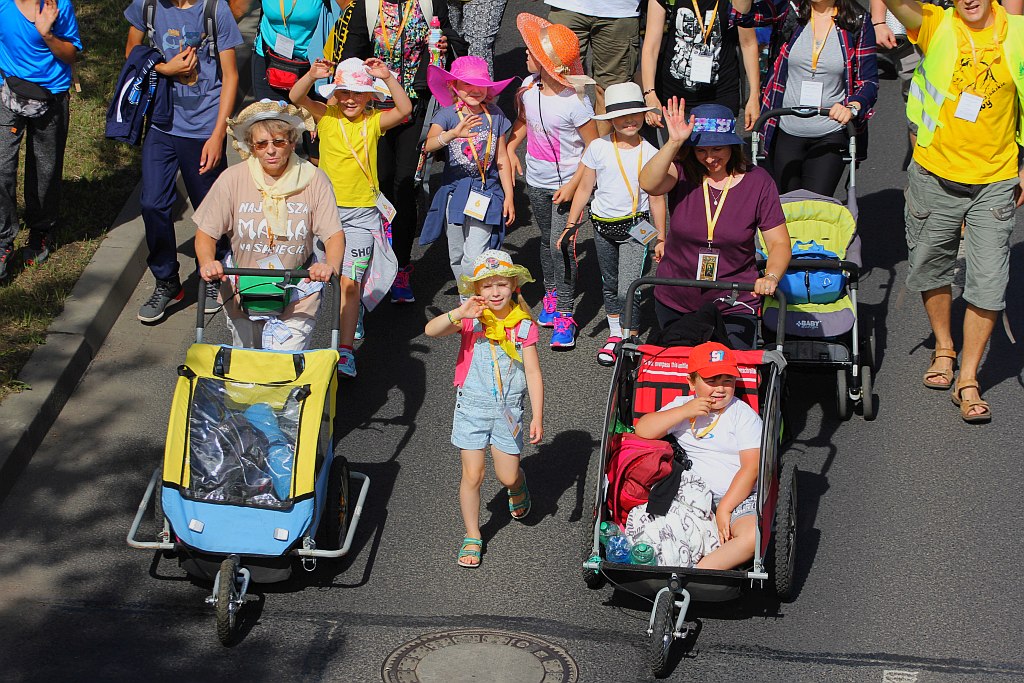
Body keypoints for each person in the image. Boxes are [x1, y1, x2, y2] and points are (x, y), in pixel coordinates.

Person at [883, 0, 1024, 423]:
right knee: (931, 267)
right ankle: (944, 346)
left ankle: (967, 378)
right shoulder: (935, 24)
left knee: (989, 282)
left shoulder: (1017, 33)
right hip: (935, 173)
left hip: (995, 178)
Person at [290, 57, 411, 377]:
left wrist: (388, 76)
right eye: (344, 92)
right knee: (331, 279)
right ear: (335, 93)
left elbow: (404, 110)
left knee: (350, 281)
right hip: (326, 217)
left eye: (358, 93)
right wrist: (312, 75)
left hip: (361, 218)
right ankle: (350, 311)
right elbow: (295, 97)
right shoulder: (326, 116)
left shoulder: (374, 122)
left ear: (370, 96)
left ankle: (345, 353)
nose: (349, 100)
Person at [424, 249, 544, 569]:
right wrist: (459, 313)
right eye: (487, 285)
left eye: (501, 284)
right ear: (477, 291)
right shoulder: (471, 319)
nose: (494, 291)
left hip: (508, 408)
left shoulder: (523, 326)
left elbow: (533, 372)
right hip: (471, 406)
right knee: (472, 474)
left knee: (506, 475)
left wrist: (538, 415)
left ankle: (517, 485)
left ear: (513, 286)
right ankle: (473, 534)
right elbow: (431, 331)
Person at [124, 0, 243, 323]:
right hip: (162, 125)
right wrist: (164, 69)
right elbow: (132, 51)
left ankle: (218, 274)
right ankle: (167, 280)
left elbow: (230, 76)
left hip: (203, 129)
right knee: (152, 203)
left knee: (210, 208)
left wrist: (218, 134)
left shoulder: (214, 10)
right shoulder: (147, 6)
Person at [341, 0, 467, 304]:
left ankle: (400, 265)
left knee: (405, 183)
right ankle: (374, 260)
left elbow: (455, 40)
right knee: (380, 182)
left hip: (415, 107)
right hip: (373, 111)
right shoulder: (366, 8)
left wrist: (446, 41)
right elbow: (349, 57)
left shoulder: (428, 3)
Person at [192, 101, 345, 350]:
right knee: (247, 369)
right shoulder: (232, 179)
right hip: (242, 288)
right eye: (262, 144)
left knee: (282, 370)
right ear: (253, 148)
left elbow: (334, 235)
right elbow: (206, 233)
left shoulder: (313, 179)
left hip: (298, 288)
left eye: (279, 142)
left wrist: (330, 266)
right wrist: (208, 261)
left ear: (292, 143)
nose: (270, 151)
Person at [639, 98, 790, 349]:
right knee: (681, 377)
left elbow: (780, 243)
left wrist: (771, 276)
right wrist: (674, 142)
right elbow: (648, 182)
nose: (709, 158)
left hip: (734, 300)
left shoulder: (758, 181)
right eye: (701, 150)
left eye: (717, 149)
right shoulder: (683, 171)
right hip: (677, 295)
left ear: (732, 145)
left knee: (730, 376)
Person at [507, 13, 598, 349]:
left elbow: (593, 148)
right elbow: (522, 122)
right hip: (537, 180)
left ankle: (565, 314)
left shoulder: (576, 102)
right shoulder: (528, 89)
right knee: (546, 241)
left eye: (531, 50)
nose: (525, 54)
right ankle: (551, 294)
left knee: (562, 247)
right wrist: (510, 147)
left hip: (568, 186)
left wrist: (575, 186)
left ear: (548, 63)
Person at [563, 82, 667, 366]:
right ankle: (614, 334)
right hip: (602, 226)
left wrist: (661, 237)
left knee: (628, 286)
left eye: (635, 114)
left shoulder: (650, 151)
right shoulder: (598, 147)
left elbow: (657, 198)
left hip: (638, 227)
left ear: (643, 115)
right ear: (610, 119)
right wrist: (572, 224)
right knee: (609, 284)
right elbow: (585, 188)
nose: (629, 120)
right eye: (622, 116)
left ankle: (629, 337)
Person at [634, 341, 761, 570]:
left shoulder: (742, 415)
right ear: (691, 382)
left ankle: (695, 572)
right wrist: (684, 411)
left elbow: (751, 468)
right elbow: (643, 429)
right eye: (711, 381)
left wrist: (725, 508)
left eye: (728, 381)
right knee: (660, 526)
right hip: (688, 495)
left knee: (752, 536)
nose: (720, 389)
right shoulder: (683, 406)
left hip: (738, 498)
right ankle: (673, 560)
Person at [737, 0, 878, 197]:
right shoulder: (790, 11)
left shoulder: (857, 21)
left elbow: (868, 82)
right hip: (786, 128)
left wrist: (853, 106)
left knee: (816, 206)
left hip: (830, 130)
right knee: (786, 205)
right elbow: (744, 16)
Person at [0, 0, 81, 280]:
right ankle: (3, 238)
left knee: (45, 168)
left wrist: (47, 34)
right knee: (1, 166)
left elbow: (71, 55)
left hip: (51, 96)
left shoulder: (59, 6)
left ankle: (40, 229)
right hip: (8, 91)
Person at [420, 55, 515, 286]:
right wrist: (452, 134)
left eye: (480, 85)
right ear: (453, 86)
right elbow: (427, 145)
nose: (475, 90)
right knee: (457, 255)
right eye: (467, 84)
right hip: (455, 192)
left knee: (474, 256)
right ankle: (467, 303)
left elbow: (502, 156)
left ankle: (475, 301)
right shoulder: (447, 115)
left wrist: (510, 196)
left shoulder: (495, 115)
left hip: (487, 191)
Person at [231, 0, 355, 162]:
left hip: (315, 67)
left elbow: (351, 13)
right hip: (270, 60)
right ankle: (279, 184)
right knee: (273, 139)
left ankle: (314, 184)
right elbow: (238, 8)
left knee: (317, 148)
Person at [639, 0, 765, 131]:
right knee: (675, 150)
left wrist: (754, 95)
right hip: (673, 99)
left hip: (720, 96)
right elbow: (651, 47)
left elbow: (748, 43)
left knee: (716, 150)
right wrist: (650, 94)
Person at [544, 0, 641, 133]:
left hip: (620, 10)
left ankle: (596, 150)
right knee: (558, 83)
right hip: (567, 6)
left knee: (610, 92)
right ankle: (559, 150)